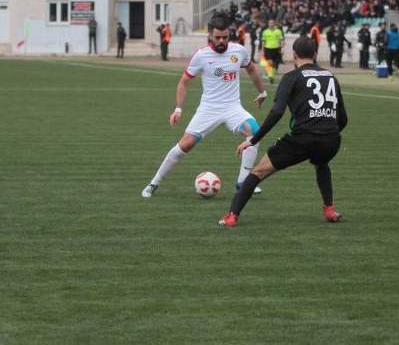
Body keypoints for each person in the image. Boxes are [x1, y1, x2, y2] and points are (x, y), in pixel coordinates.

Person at [219, 36, 347, 227]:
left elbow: (277, 111)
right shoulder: (330, 76)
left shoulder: (291, 77)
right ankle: (329, 209)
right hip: (331, 140)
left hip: (302, 139)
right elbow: (343, 119)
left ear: (294, 55)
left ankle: (232, 216)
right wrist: (326, 133)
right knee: (322, 164)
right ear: (315, 54)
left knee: (257, 172)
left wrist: (253, 140)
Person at [141, 14, 268, 197]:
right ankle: (154, 183)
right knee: (185, 145)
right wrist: (178, 109)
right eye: (218, 37)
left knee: (255, 131)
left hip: (233, 108)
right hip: (209, 109)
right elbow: (184, 81)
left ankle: (242, 182)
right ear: (210, 35)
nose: (222, 41)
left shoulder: (239, 51)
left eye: (225, 37)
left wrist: (262, 92)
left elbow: (251, 70)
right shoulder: (201, 56)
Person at [260, 19, 284, 83]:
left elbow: (281, 40)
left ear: (274, 24)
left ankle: (271, 76)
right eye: (270, 23)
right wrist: (262, 50)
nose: (271, 24)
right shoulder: (265, 32)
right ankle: (270, 75)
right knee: (270, 62)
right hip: (268, 49)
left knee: (275, 63)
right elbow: (263, 41)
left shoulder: (278, 31)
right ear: (268, 24)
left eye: (272, 23)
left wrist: (282, 48)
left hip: (276, 49)